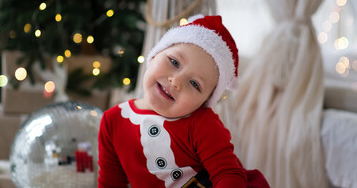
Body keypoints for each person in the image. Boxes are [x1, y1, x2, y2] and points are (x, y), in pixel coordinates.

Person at [98, 14, 269, 188]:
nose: (176, 81)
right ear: (155, 54)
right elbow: (110, 183)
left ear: (204, 102)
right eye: (174, 62)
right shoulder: (113, 121)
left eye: (194, 84)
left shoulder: (202, 123)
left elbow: (228, 175)